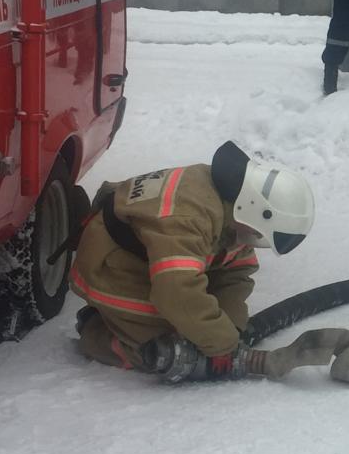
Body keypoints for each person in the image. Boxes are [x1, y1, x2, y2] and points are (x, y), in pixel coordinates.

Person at [70, 142, 315, 381]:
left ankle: (122, 320)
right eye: (259, 233)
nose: (255, 239)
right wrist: (223, 345)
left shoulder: (230, 204)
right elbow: (177, 293)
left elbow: (237, 271)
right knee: (168, 349)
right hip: (108, 267)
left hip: (144, 260)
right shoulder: (189, 215)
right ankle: (95, 331)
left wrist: (232, 328)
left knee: (196, 329)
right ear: (256, 208)